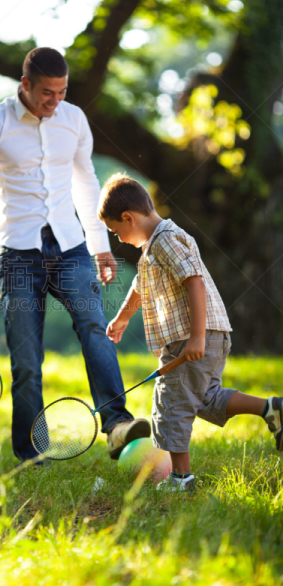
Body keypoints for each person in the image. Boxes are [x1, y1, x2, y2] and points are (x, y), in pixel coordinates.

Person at [0, 48, 150, 463]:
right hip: (18, 254)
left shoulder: (73, 120)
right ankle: (31, 454)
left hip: (71, 247)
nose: (55, 101)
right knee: (27, 360)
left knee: (94, 325)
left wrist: (100, 246)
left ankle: (117, 425)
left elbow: (86, 183)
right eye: (46, 93)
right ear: (25, 85)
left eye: (62, 92)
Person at [97, 172, 283, 492]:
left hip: (194, 336)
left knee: (170, 404)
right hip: (208, 335)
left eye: (115, 231)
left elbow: (194, 281)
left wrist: (196, 336)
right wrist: (123, 318)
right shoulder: (153, 246)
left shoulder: (166, 240)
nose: (118, 239)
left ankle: (181, 480)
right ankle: (271, 409)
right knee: (204, 398)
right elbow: (141, 286)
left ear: (128, 217)